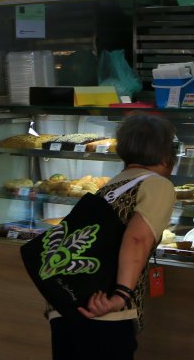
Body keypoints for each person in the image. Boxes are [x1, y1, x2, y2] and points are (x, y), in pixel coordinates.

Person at [48, 112, 176, 360]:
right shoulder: (156, 185)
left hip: (66, 304)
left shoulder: (111, 186)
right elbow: (137, 239)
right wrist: (120, 297)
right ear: (164, 153)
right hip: (103, 309)